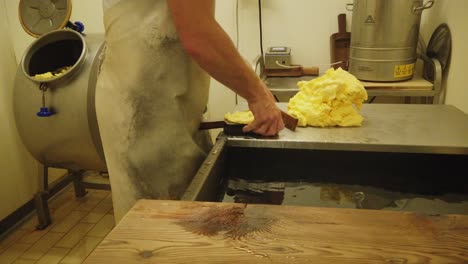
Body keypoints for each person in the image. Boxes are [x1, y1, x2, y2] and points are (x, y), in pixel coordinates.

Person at [97, 0, 284, 222]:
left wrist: (257, 91)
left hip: (157, 105)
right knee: (158, 228)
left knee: (184, 209)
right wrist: (259, 96)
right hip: (142, 114)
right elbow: (199, 35)